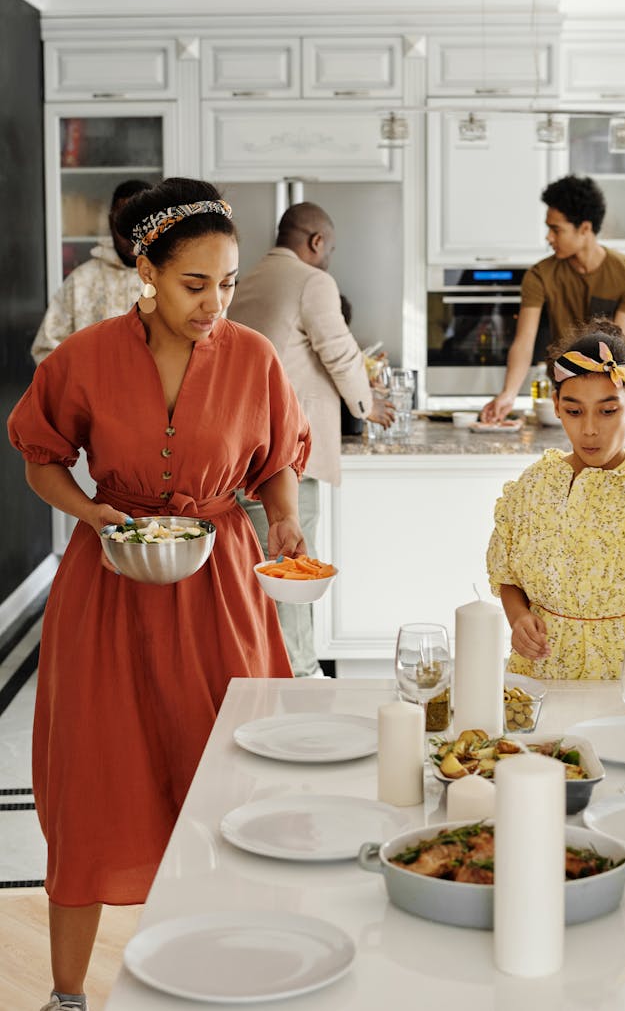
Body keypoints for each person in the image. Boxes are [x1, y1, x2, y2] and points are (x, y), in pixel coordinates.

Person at [7, 177, 311, 1011]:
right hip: (108, 586)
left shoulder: (252, 357)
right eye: (193, 284)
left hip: (222, 588)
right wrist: (92, 512)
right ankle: (68, 997)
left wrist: (282, 521)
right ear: (147, 271)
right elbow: (39, 454)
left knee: (235, 779)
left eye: (226, 283)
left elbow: (277, 457)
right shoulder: (84, 359)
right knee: (94, 779)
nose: (215, 303)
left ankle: (233, 969)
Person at [486, 317, 625, 709]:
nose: (589, 430)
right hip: (538, 678)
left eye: (607, 411)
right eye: (573, 411)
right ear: (556, 407)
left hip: (624, 681)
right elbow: (507, 577)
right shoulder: (531, 488)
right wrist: (518, 619)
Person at [228, 201, 393, 677]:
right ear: (316, 241)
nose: (329, 259)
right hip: (288, 453)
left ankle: (266, 671)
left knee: (259, 572)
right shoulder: (312, 281)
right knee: (292, 573)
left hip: (243, 448)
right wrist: (369, 407)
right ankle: (299, 674)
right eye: (331, 249)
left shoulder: (249, 278)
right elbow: (340, 354)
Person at [481, 175, 625, 423]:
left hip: (613, 393)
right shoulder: (540, 276)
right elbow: (524, 342)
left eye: (556, 229)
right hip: (565, 394)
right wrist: (509, 394)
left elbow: (617, 347)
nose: (549, 237)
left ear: (584, 228)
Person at [31, 178, 150, 364]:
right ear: (111, 221)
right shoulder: (81, 281)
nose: (132, 234)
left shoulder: (170, 280)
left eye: (141, 222)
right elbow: (46, 350)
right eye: (123, 221)